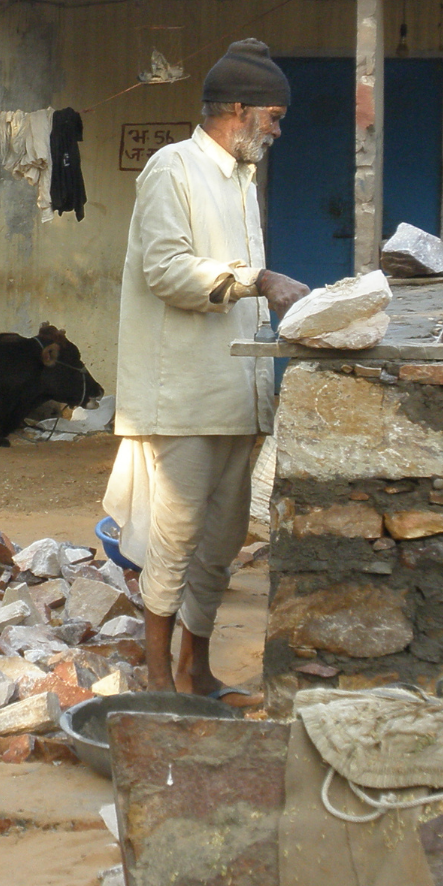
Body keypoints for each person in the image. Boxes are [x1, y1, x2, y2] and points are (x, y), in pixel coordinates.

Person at [101, 38, 310, 699]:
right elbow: (166, 271)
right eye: (273, 118)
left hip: (236, 395)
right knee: (175, 540)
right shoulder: (173, 169)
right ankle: (159, 676)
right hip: (184, 393)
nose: (277, 131)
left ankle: (197, 669)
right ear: (239, 110)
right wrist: (259, 280)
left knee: (219, 547)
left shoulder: (241, 180)